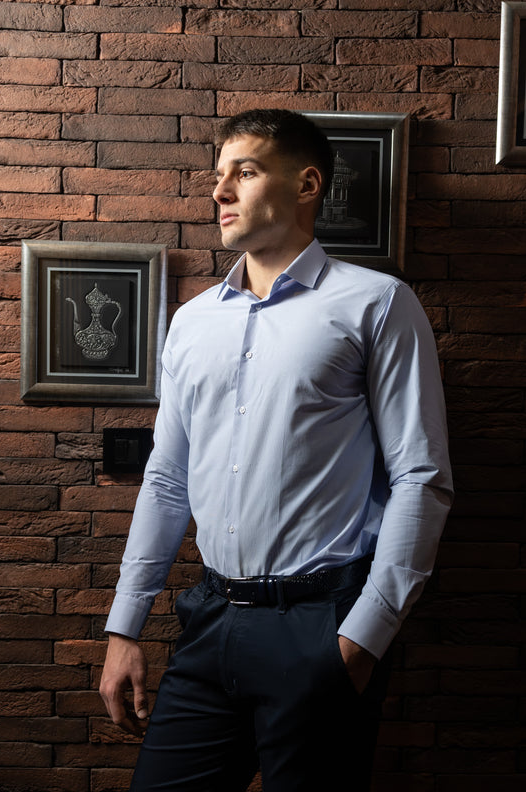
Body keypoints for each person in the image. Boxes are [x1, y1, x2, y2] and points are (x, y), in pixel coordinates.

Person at [100, 108, 453, 792]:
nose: (219, 191)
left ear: (306, 184)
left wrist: (362, 640)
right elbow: (167, 479)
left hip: (323, 626)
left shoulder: (377, 304)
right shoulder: (191, 321)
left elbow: (421, 478)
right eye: (218, 175)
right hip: (209, 623)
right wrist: (124, 628)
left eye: (246, 171)